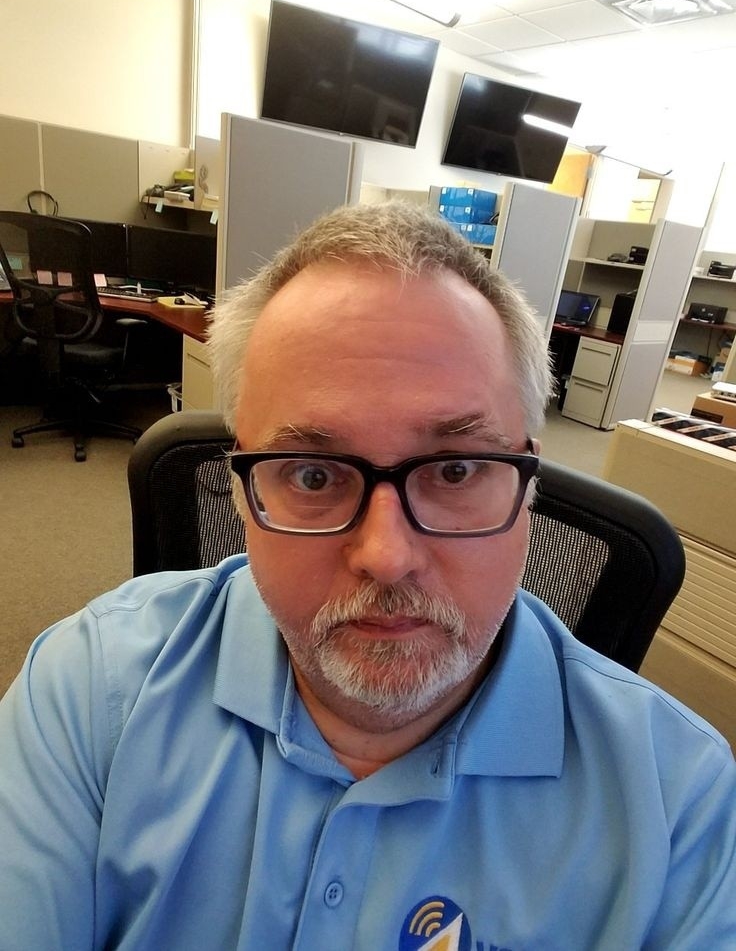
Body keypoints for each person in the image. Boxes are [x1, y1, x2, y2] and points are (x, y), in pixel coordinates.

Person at [0, 201, 734, 950]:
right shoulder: (89, 693)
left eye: (456, 469)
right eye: (313, 474)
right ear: (242, 491)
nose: (386, 555)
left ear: (529, 485)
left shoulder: (678, 804)